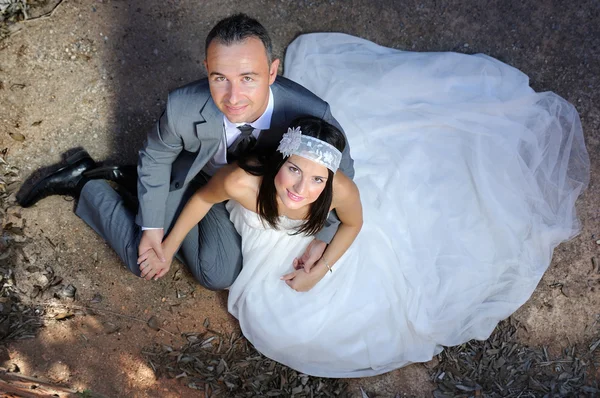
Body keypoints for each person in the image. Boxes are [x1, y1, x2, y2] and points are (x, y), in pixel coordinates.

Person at [143, 34, 589, 378]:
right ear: (280, 157)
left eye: (317, 178)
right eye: (295, 171)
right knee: (252, 300)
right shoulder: (243, 179)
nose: (302, 187)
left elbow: (354, 225)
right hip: (255, 228)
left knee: (344, 316)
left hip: (301, 240)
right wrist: (163, 241)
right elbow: (203, 197)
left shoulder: (339, 191)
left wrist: (321, 263)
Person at [16, 14, 354, 290]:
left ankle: (134, 185)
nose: (233, 97)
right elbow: (157, 156)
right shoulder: (183, 105)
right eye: (220, 77)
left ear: (272, 71)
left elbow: (341, 176)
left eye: (248, 78)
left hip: (246, 194)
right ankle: (85, 182)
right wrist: (152, 229)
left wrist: (322, 238)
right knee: (145, 260)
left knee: (219, 275)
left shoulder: (311, 113)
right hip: (198, 182)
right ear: (206, 67)